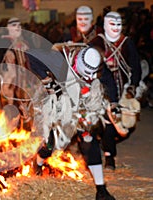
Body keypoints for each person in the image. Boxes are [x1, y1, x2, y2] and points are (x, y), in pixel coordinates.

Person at [33, 46, 116, 200]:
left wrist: (115, 102)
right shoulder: (61, 61)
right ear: (78, 64)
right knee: (51, 144)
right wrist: (46, 79)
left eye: (93, 74)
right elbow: (32, 56)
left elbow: (109, 81)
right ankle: (38, 164)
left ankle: (101, 190)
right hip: (60, 106)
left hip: (83, 107)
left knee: (89, 141)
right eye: (87, 74)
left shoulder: (98, 66)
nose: (90, 77)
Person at [89, 11, 142, 170]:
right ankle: (109, 156)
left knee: (121, 123)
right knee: (108, 121)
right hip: (103, 88)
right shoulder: (97, 41)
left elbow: (136, 66)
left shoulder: (126, 43)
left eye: (118, 24)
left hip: (122, 88)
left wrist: (133, 85)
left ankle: (107, 145)